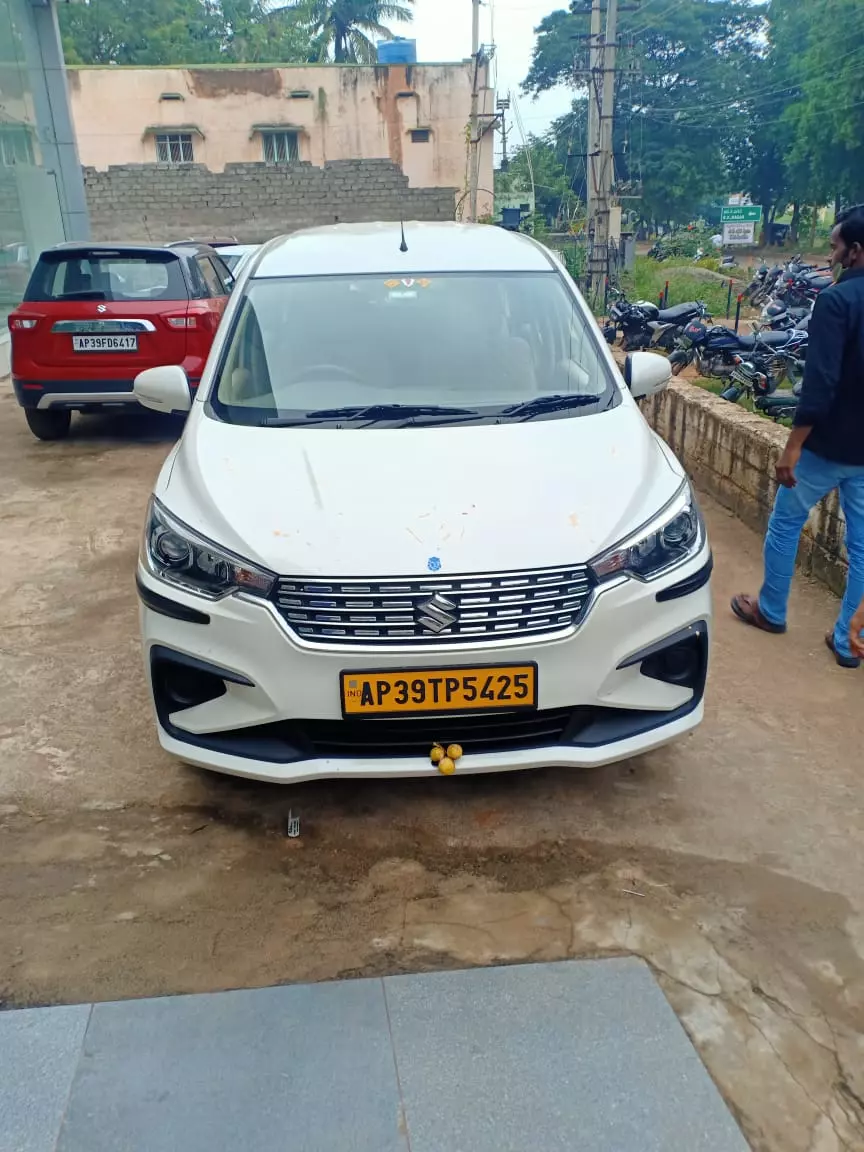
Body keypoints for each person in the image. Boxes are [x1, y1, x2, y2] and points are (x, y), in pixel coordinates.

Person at [731, 204, 864, 668]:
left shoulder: (836, 301)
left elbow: (821, 384)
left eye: (834, 247)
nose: (830, 255)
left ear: (856, 251)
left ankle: (770, 610)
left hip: (828, 445)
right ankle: (850, 643)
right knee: (863, 549)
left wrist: (792, 446)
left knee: (786, 521)